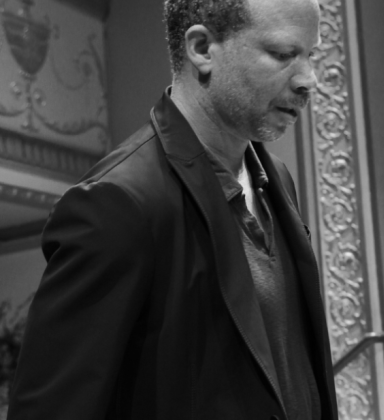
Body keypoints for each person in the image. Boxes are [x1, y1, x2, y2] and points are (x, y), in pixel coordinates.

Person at [6, 0, 337, 418]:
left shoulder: (278, 181)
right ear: (201, 48)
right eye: (284, 54)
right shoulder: (117, 203)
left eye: (311, 55)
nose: (309, 80)